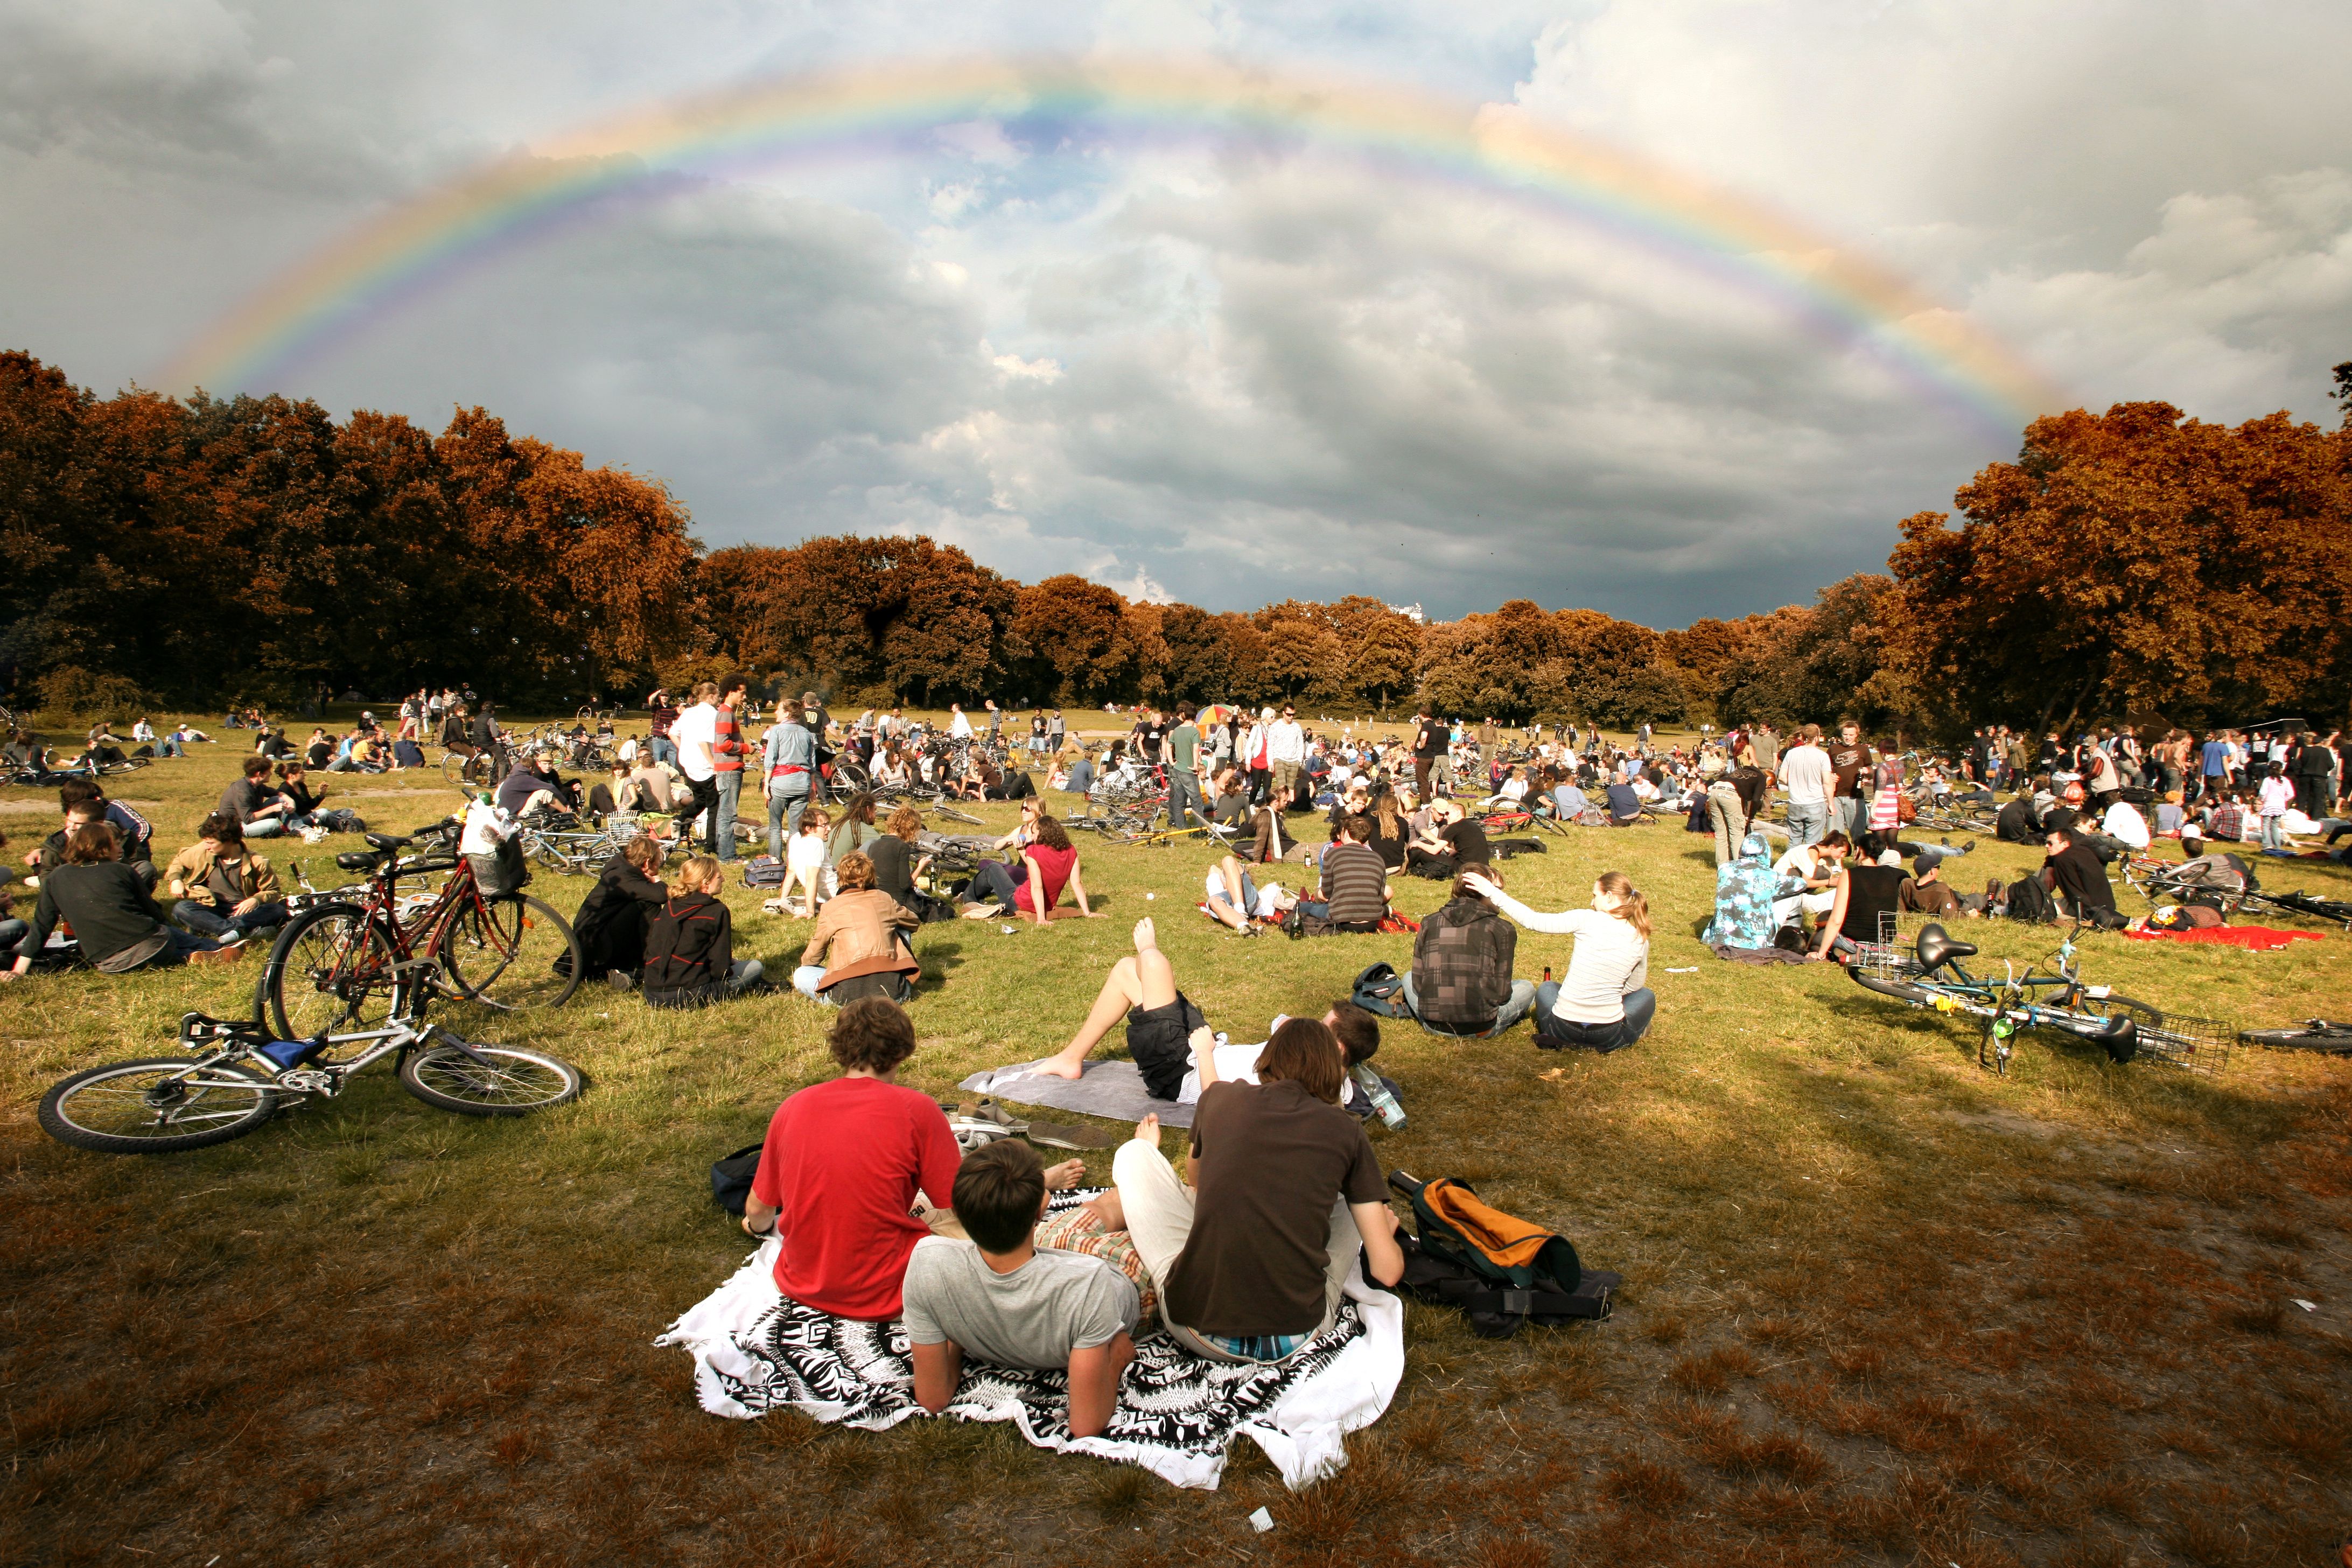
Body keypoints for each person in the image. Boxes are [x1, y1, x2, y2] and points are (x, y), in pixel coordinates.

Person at [1102, 1013, 1405, 1363]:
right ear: (1336, 1072)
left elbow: (1197, 1183)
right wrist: (1382, 1230)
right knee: (1355, 1198)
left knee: (1134, 1155)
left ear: (1267, 1059)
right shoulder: (1348, 1133)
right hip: (1297, 1336)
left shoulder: (1218, 1098)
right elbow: (1388, 1271)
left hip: (1196, 1327)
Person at [739, 998, 973, 1319]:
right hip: (890, 1292)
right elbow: (962, 1203)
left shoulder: (793, 1107)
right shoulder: (917, 1110)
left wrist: (755, 1227)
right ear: (903, 1052)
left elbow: (759, 1209)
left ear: (841, 1049)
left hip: (801, 1283)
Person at [904, 1138, 1139, 1436]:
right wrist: (1117, 1358)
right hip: (1123, 1277)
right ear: (1038, 1214)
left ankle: (1135, 1174)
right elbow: (1086, 1424)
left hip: (1047, 1251)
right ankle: (1147, 1170)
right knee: (1149, 1218)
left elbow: (933, 1397)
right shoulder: (1089, 1282)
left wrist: (957, 1332)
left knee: (1097, 1209)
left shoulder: (929, 1262)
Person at [4, 822, 237, 979]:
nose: (120, 848)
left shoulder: (55, 877)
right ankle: (211, 948)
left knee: (149, 942)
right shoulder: (122, 871)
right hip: (152, 945)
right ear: (103, 847)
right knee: (161, 931)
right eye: (116, 844)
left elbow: (41, 925)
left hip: (107, 963)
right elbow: (154, 915)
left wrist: (20, 969)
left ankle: (189, 955)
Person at [1465, 869, 1655, 1050]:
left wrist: (1491, 892)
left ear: (1610, 897)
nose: (1592, 902)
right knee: (1646, 995)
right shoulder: (1640, 939)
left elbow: (1532, 920)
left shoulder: (1586, 919)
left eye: (1595, 896)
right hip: (1608, 1035)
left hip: (1561, 1029)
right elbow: (1634, 987)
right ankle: (1631, 1031)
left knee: (1547, 987)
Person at [1405, 863, 1536, 1037]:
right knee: (1527, 988)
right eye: (1496, 890)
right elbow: (1502, 995)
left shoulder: (1429, 922)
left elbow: (1418, 983)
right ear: (1483, 891)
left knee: (1407, 977)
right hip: (1481, 1027)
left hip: (1434, 1024)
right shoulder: (1502, 928)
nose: (1502, 896)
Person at [792, 851, 919, 1005]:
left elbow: (814, 956)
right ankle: (900, 972)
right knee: (903, 929)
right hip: (894, 993)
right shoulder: (884, 898)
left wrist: (809, 963)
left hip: (846, 997)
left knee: (801, 974)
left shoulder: (831, 908)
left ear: (841, 877)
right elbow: (913, 922)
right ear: (872, 875)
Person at [641, 853, 764, 1006]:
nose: (724, 879)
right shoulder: (717, 911)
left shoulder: (671, 906)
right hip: (690, 994)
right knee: (756, 966)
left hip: (652, 993)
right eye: (719, 877)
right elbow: (720, 970)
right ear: (705, 884)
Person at [163, 814, 288, 946]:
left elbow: (273, 892)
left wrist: (255, 900)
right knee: (182, 908)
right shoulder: (203, 851)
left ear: (228, 841)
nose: (207, 846)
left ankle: (220, 930)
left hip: (243, 913)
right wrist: (176, 880)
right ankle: (238, 931)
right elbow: (180, 861)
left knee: (276, 910)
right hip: (211, 908)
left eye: (211, 843)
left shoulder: (258, 862)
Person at [959, 815, 1101, 926]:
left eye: (1034, 833)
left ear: (1043, 833)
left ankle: (968, 899)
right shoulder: (1071, 850)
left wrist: (1041, 919)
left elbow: (1037, 886)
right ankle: (970, 896)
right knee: (1008, 880)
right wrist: (1087, 912)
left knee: (993, 868)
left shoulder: (1034, 850)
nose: (1032, 837)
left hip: (1019, 903)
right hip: (1046, 904)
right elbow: (1077, 883)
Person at [574, 835, 668, 990]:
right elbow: (661, 895)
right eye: (659, 862)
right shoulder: (624, 877)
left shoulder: (622, 870)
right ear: (646, 863)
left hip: (595, 938)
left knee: (643, 901)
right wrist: (658, 881)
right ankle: (653, 963)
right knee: (648, 903)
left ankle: (640, 963)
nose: (660, 866)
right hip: (593, 947)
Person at [1701, 832, 1800, 951]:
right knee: (1792, 897)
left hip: (1722, 937)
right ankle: (1794, 936)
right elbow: (1800, 884)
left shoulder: (1724, 868)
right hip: (1755, 942)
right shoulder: (1770, 876)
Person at [1815, 849, 1908, 961]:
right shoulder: (1899, 875)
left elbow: (1836, 920)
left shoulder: (1850, 874)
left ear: (1860, 850)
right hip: (1885, 944)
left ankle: (1845, 953)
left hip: (1854, 942)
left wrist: (1821, 954)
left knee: (1819, 937)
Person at [761, 697, 817, 857]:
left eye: (779, 709)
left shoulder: (777, 731)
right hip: (802, 783)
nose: (775, 712)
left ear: (786, 713)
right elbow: (812, 764)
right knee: (796, 828)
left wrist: (766, 784)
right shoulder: (807, 734)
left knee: (775, 826)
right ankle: (793, 865)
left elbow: (770, 760)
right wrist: (812, 788)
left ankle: (774, 862)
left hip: (781, 783)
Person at [671, 681, 723, 851]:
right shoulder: (712, 713)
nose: (719, 699)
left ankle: (680, 821)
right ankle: (711, 846)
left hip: (688, 764)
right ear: (711, 696)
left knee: (700, 800)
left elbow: (672, 733)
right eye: (718, 696)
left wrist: (684, 749)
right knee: (715, 807)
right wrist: (713, 764)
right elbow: (703, 742)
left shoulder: (688, 712)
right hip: (705, 766)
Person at [2043, 825, 2126, 927]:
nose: (2047, 846)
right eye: (2046, 843)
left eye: (2050, 843)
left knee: (2039, 908)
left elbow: (2073, 891)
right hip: (2107, 906)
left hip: (2089, 909)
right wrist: (2050, 869)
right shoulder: (2081, 850)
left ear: (2065, 844)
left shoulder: (2063, 860)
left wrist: (2086, 915)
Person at [219, 755, 295, 839]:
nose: (271, 773)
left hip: (252, 819)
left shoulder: (258, 785)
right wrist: (272, 809)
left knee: (278, 799)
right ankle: (293, 828)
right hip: (238, 826)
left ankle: (300, 829)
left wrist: (290, 801)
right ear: (260, 774)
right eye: (268, 771)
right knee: (273, 824)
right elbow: (248, 819)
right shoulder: (242, 791)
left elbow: (277, 793)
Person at [779, 805, 832, 918]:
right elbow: (811, 878)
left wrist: (783, 901)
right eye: (824, 825)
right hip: (835, 895)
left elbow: (791, 872)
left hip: (820, 897)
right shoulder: (816, 843)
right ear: (809, 828)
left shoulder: (795, 838)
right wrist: (810, 912)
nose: (829, 829)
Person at [1162, 702, 1206, 831]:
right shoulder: (1194, 732)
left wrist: (1171, 761)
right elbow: (1195, 750)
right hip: (1188, 771)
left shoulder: (1177, 730)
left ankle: (1181, 827)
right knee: (1196, 801)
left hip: (1177, 769)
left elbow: (1169, 745)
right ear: (1196, 716)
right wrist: (1195, 766)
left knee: (1179, 801)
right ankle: (1200, 828)